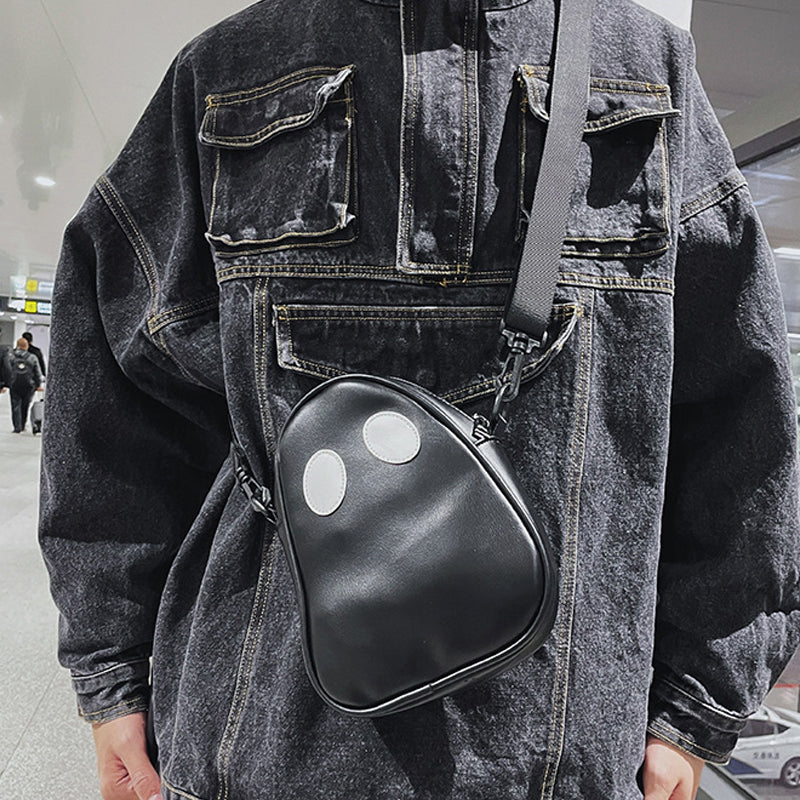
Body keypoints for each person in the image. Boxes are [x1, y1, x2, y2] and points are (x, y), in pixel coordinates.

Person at [38, 2, 800, 800]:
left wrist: (693, 706)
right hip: (256, 743)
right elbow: (118, 401)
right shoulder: (228, 68)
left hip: (564, 756)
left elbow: (738, 423)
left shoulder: (647, 66)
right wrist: (111, 672)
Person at [7, 337, 43, 433]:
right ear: (26, 346)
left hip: (14, 384)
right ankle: (23, 425)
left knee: (15, 405)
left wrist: (6, 382)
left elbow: (7, 370)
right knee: (25, 405)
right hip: (29, 385)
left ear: (17, 345)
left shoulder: (11, 356)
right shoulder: (32, 357)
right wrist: (38, 384)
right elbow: (37, 372)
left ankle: (17, 427)